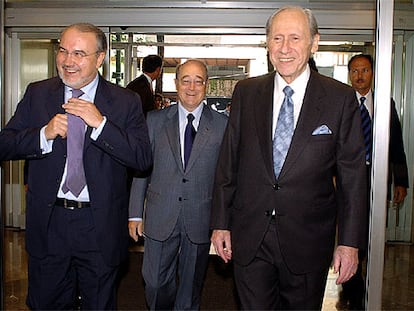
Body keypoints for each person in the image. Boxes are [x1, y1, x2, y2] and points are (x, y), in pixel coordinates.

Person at [210, 6, 367, 310]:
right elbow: (228, 162)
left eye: (295, 38)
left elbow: (353, 178)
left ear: (314, 43)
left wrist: (349, 243)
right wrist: (220, 223)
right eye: (277, 38)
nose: (284, 49)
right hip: (250, 235)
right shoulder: (247, 92)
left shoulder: (340, 98)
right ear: (267, 43)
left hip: (308, 240)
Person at [0, 23, 152, 310]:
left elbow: (142, 158)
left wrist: (101, 125)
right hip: (50, 224)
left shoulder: (124, 101)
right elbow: (5, 143)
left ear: (100, 58)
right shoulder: (38, 93)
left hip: (99, 226)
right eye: (64, 51)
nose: (68, 61)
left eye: (79, 53)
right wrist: (42, 134)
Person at [128, 59, 228, 310]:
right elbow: (142, 169)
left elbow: (227, 179)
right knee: (155, 283)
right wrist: (135, 214)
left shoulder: (223, 126)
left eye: (198, 81)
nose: (192, 87)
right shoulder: (154, 121)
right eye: (186, 80)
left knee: (191, 286)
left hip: (200, 217)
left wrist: (224, 223)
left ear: (206, 85)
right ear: (176, 84)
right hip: (161, 215)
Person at [341, 53, 409, 310]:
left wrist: (400, 181)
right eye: (355, 71)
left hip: (376, 177)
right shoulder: (343, 102)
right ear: (350, 74)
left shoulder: (384, 104)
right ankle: (351, 281)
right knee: (349, 227)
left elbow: (397, 145)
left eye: (365, 70)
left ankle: (363, 272)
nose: (359, 76)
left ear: (372, 73)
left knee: (370, 228)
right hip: (348, 178)